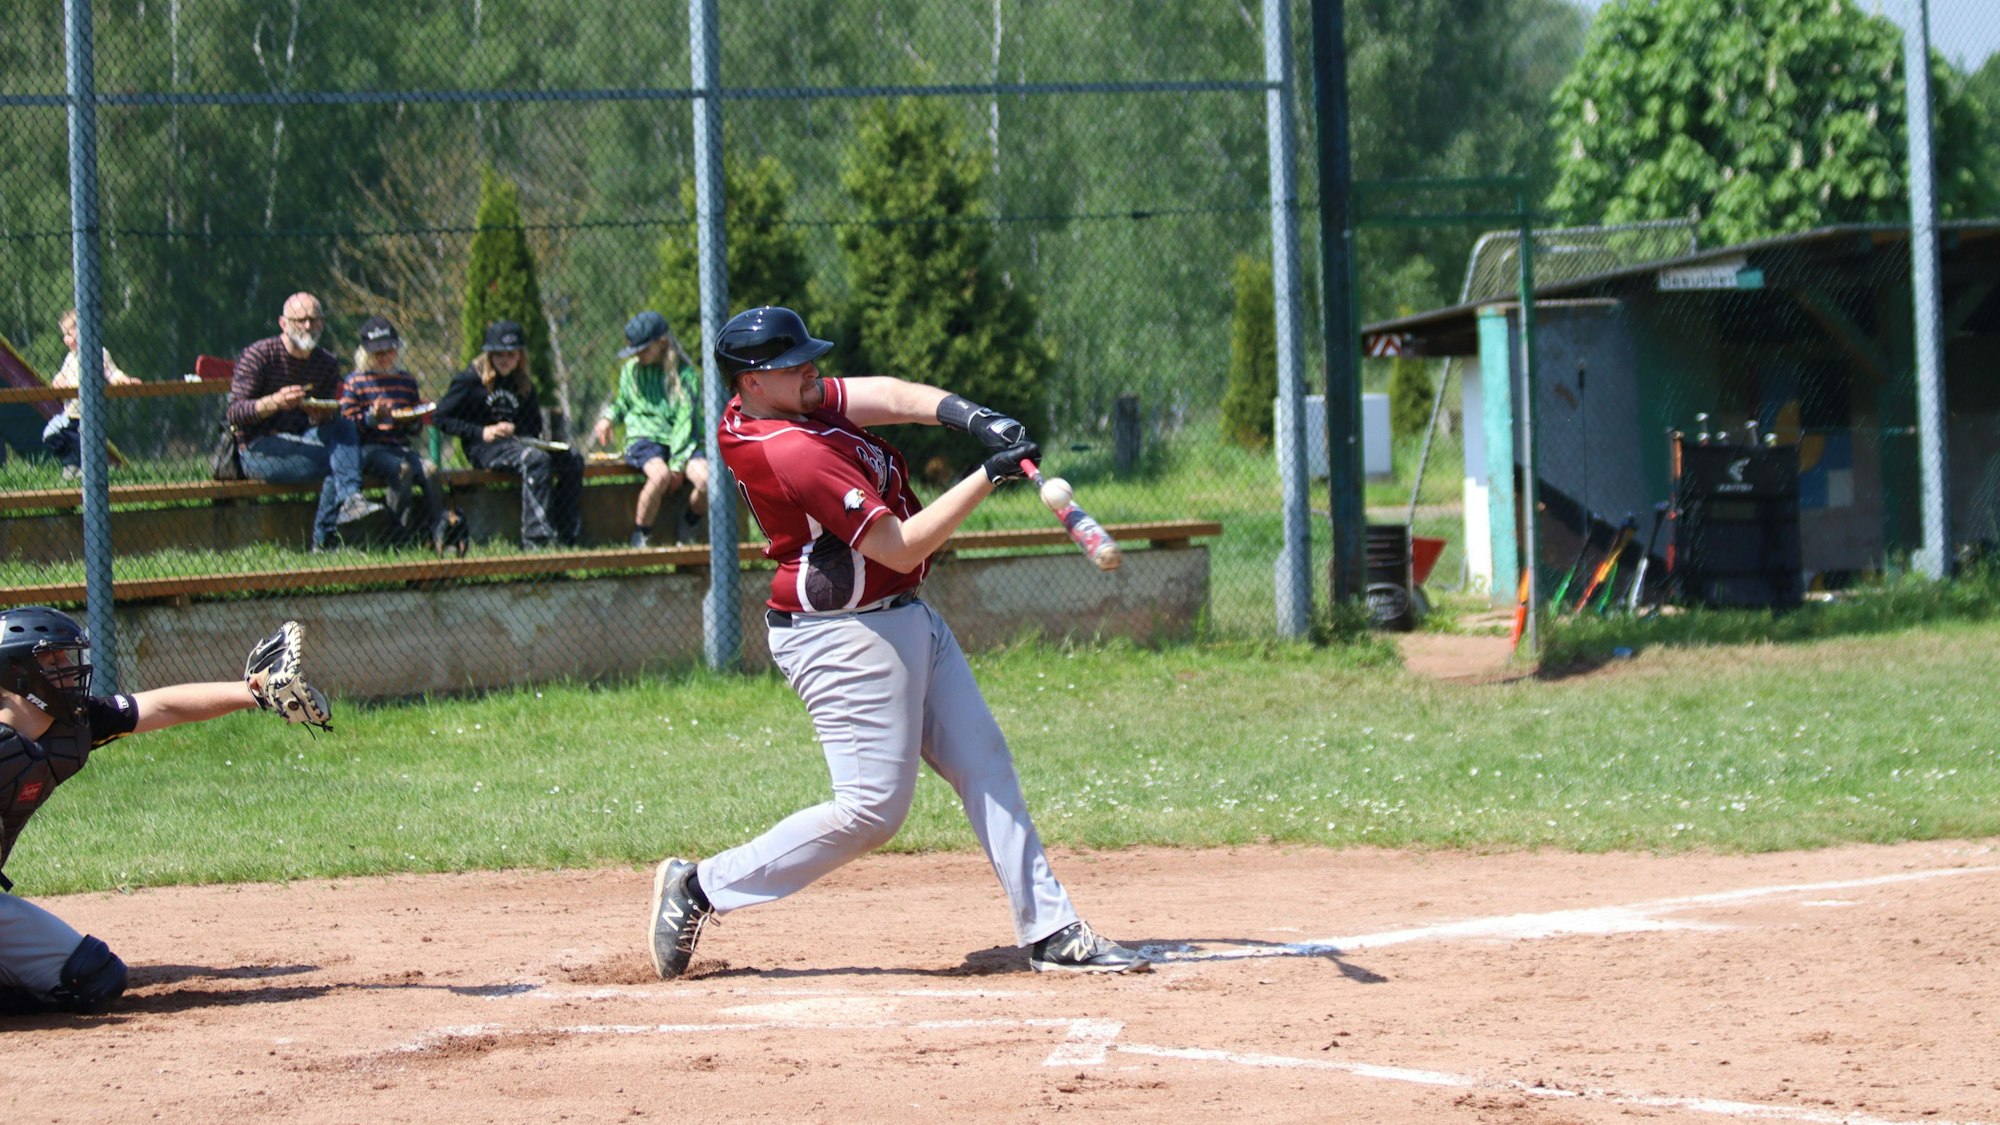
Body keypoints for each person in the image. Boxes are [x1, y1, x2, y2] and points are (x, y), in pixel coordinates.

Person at [646, 306, 1150, 979]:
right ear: (751, 383)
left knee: (983, 759)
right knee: (872, 811)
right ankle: (700, 886)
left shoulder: (787, 404)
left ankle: (1051, 928)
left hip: (897, 616)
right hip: (843, 637)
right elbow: (899, 542)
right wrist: (987, 476)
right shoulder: (788, 448)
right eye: (790, 364)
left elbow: (887, 394)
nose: (810, 370)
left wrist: (972, 417)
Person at [0, 608, 330, 1015]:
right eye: (54, 661)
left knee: (93, 977)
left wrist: (256, 690)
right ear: (17, 674)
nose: (70, 669)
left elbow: (161, 706)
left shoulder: (69, 728)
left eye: (69, 657)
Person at [226, 292, 384, 551]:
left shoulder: (326, 362)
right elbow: (234, 412)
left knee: (342, 429)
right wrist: (275, 401)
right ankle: (326, 539)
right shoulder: (260, 355)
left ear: (322, 323)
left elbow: (323, 415)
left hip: (304, 440)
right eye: (300, 320)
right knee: (342, 463)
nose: (308, 326)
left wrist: (322, 415)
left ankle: (349, 506)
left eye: (314, 320)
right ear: (283, 323)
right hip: (259, 448)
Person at [437, 321, 583, 550]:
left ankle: (567, 536)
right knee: (535, 460)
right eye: (499, 354)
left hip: (518, 444)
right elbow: (441, 417)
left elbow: (533, 425)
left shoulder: (522, 383)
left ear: (520, 356)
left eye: (511, 354)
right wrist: (482, 431)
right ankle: (536, 541)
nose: (505, 360)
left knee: (572, 458)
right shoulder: (470, 380)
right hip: (484, 448)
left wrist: (516, 428)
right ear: (489, 354)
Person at [591, 311, 709, 548]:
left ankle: (688, 524)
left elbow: (686, 422)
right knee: (660, 476)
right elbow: (622, 403)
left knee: (709, 482)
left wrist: (677, 463)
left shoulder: (685, 376)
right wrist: (607, 419)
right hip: (644, 439)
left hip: (680, 443)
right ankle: (641, 535)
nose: (637, 355)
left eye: (643, 349)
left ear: (662, 343)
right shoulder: (630, 371)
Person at [340, 316, 450, 551]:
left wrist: (411, 420)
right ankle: (397, 537)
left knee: (431, 471)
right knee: (402, 471)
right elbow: (347, 425)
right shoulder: (355, 382)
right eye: (377, 353)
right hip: (369, 448)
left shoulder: (406, 380)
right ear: (365, 354)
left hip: (400, 445)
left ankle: (439, 532)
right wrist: (372, 417)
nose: (384, 357)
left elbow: (415, 426)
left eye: (389, 351)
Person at [43, 308, 139, 480]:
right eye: (64, 335)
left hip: (88, 413)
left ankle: (88, 471)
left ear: (83, 329)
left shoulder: (99, 353)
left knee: (84, 443)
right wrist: (58, 382)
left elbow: (112, 373)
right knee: (50, 435)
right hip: (70, 413)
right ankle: (72, 464)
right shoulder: (70, 357)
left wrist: (124, 380)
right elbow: (61, 376)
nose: (66, 339)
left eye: (70, 334)